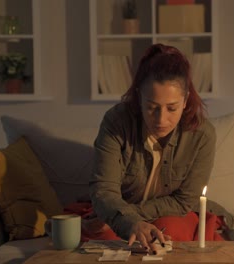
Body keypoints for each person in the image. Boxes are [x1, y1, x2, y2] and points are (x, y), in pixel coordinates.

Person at [89, 43, 216, 252]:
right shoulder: (117, 122)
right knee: (103, 236)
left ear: (185, 101)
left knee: (172, 234)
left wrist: (133, 215)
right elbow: (104, 189)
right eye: (151, 107)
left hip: (170, 213)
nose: (161, 119)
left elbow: (184, 201)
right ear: (139, 97)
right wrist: (131, 222)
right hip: (121, 210)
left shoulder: (202, 135)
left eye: (172, 108)